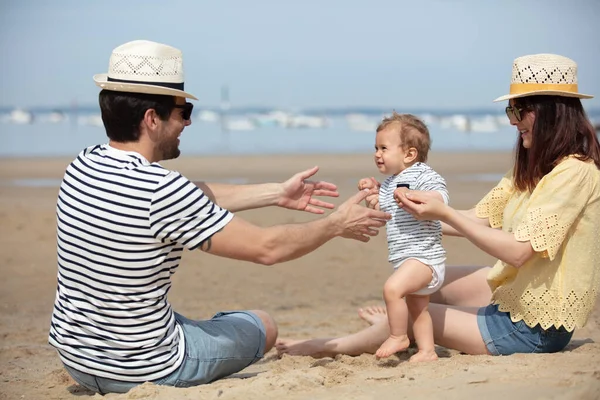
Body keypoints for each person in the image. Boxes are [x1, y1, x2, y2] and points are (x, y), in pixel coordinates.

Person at [48, 40, 391, 394]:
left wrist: (276, 193)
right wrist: (336, 224)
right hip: (141, 368)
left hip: (76, 356)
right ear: (152, 119)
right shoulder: (161, 190)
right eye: (183, 112)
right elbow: (266, 248)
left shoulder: (83, 164)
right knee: (263, 325)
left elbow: (184, 196)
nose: (187, 123)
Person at [276, 53, 600, 359]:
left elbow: (517, 252)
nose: (513, 122)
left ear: (551, 112)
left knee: (413, 305)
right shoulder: (534, 167)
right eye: (510, 112)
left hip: (532, 329)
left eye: (518, 111)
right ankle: (390, 327)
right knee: (417, 280)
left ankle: (330, 346)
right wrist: (406, 212)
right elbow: (479, 218)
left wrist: (442, 211)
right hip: (515, 293)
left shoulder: (575, 172)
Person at [356, 113, 448, 362]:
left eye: (384, 148)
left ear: (409, 154)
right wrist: (374, 195)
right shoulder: (388, 184)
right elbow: (386, 213)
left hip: (425, 257)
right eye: (375, 148)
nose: (377, 154)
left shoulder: (421, 174)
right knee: (418, 308)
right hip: (407, 258)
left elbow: (441, 196)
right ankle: (427, 351)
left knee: (392, 289)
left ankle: (398, 336)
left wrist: (419, 197)